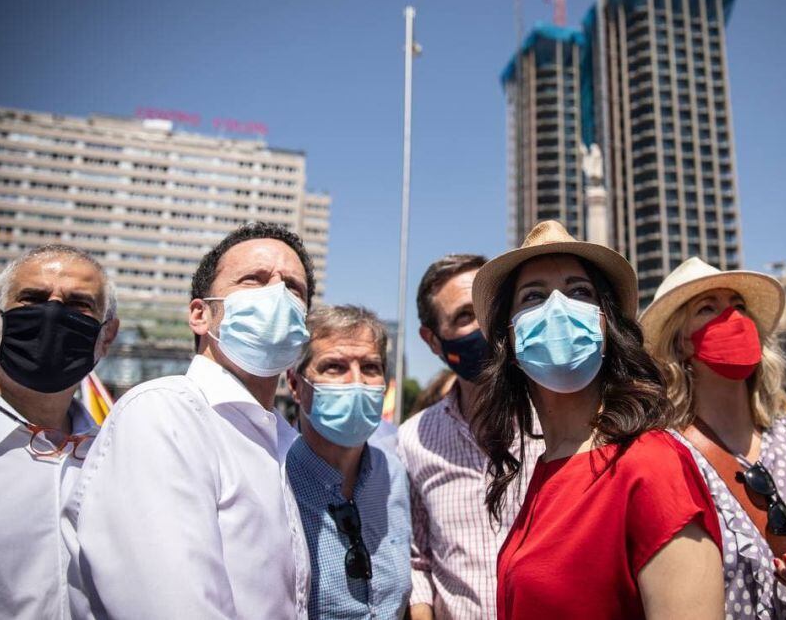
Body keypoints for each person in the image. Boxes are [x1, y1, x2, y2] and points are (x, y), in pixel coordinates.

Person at [471, 221, 724, 620]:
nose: (558, 307)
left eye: (579, 292)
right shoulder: (545, 468)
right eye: (533, 296)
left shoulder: (652, 466)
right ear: (511, 336)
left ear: (607, 324)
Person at [63, 222, 313, 619]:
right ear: (200, 315)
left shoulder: (282, 443)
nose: (277, 297)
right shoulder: (165, 414)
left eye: (293, 289)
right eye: (255, 280)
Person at [643, 256, 786, 619]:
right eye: (708, 308)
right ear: (682, 344)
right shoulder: (663, 453)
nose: (733, 319)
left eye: (738, 307)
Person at [0, 245, 118, 619]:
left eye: (79, 305)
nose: (53, 314)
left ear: (106, 337)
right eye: (31, 299)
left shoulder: (120, 453)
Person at [398, 254, 543, 620]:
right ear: (432, 341)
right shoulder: (413, 441)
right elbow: (418, 560)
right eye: (464, 315)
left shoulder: (560, 417)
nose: (484, 325)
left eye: (490, 308)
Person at [285, 305, 411, 619]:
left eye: (370, 367)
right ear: (296, 386)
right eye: (334, 367)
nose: (356, 383)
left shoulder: (394, 473)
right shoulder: (276, 482)